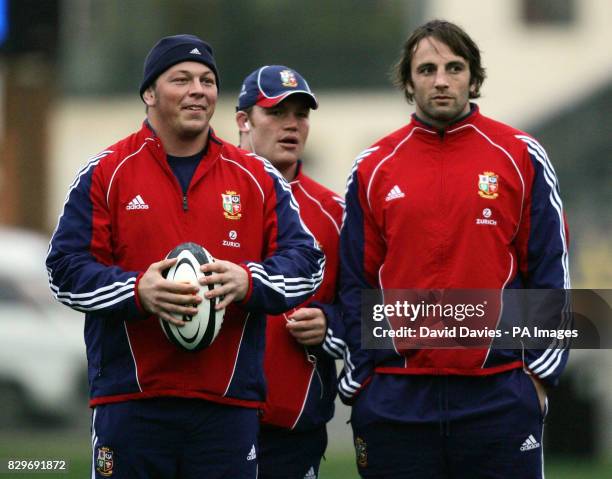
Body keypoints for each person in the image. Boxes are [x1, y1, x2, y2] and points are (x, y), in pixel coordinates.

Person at [46, 35, 325, 479]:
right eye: (182, 79)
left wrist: (248, 283)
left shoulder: (256, 177)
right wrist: (137, 291)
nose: (199, 89)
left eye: (208, 80)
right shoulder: (107, 172)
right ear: (149, 94)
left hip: (227, 409)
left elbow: (308, 261)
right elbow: (64, 270)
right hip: (131, 403)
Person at [338, 20, 570, 478]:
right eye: (426, 69)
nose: (440, 80)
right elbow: (354, 280)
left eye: (453, 67)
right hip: (396, 400)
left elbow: (550, 267)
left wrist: (538, 377)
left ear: (473, 78)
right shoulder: (374, 166)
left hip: (498, 395)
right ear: (409, 82)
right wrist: (364, 378)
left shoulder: (520, 155)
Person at [235, 65, 344, 479]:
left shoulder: (333, 213)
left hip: (292, 425)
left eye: (301, 114)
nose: (292, 125)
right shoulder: (205, 192)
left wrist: (329, 323)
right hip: (210, 420)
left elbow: (361, 305)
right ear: (244, 120)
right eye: (277, 112)